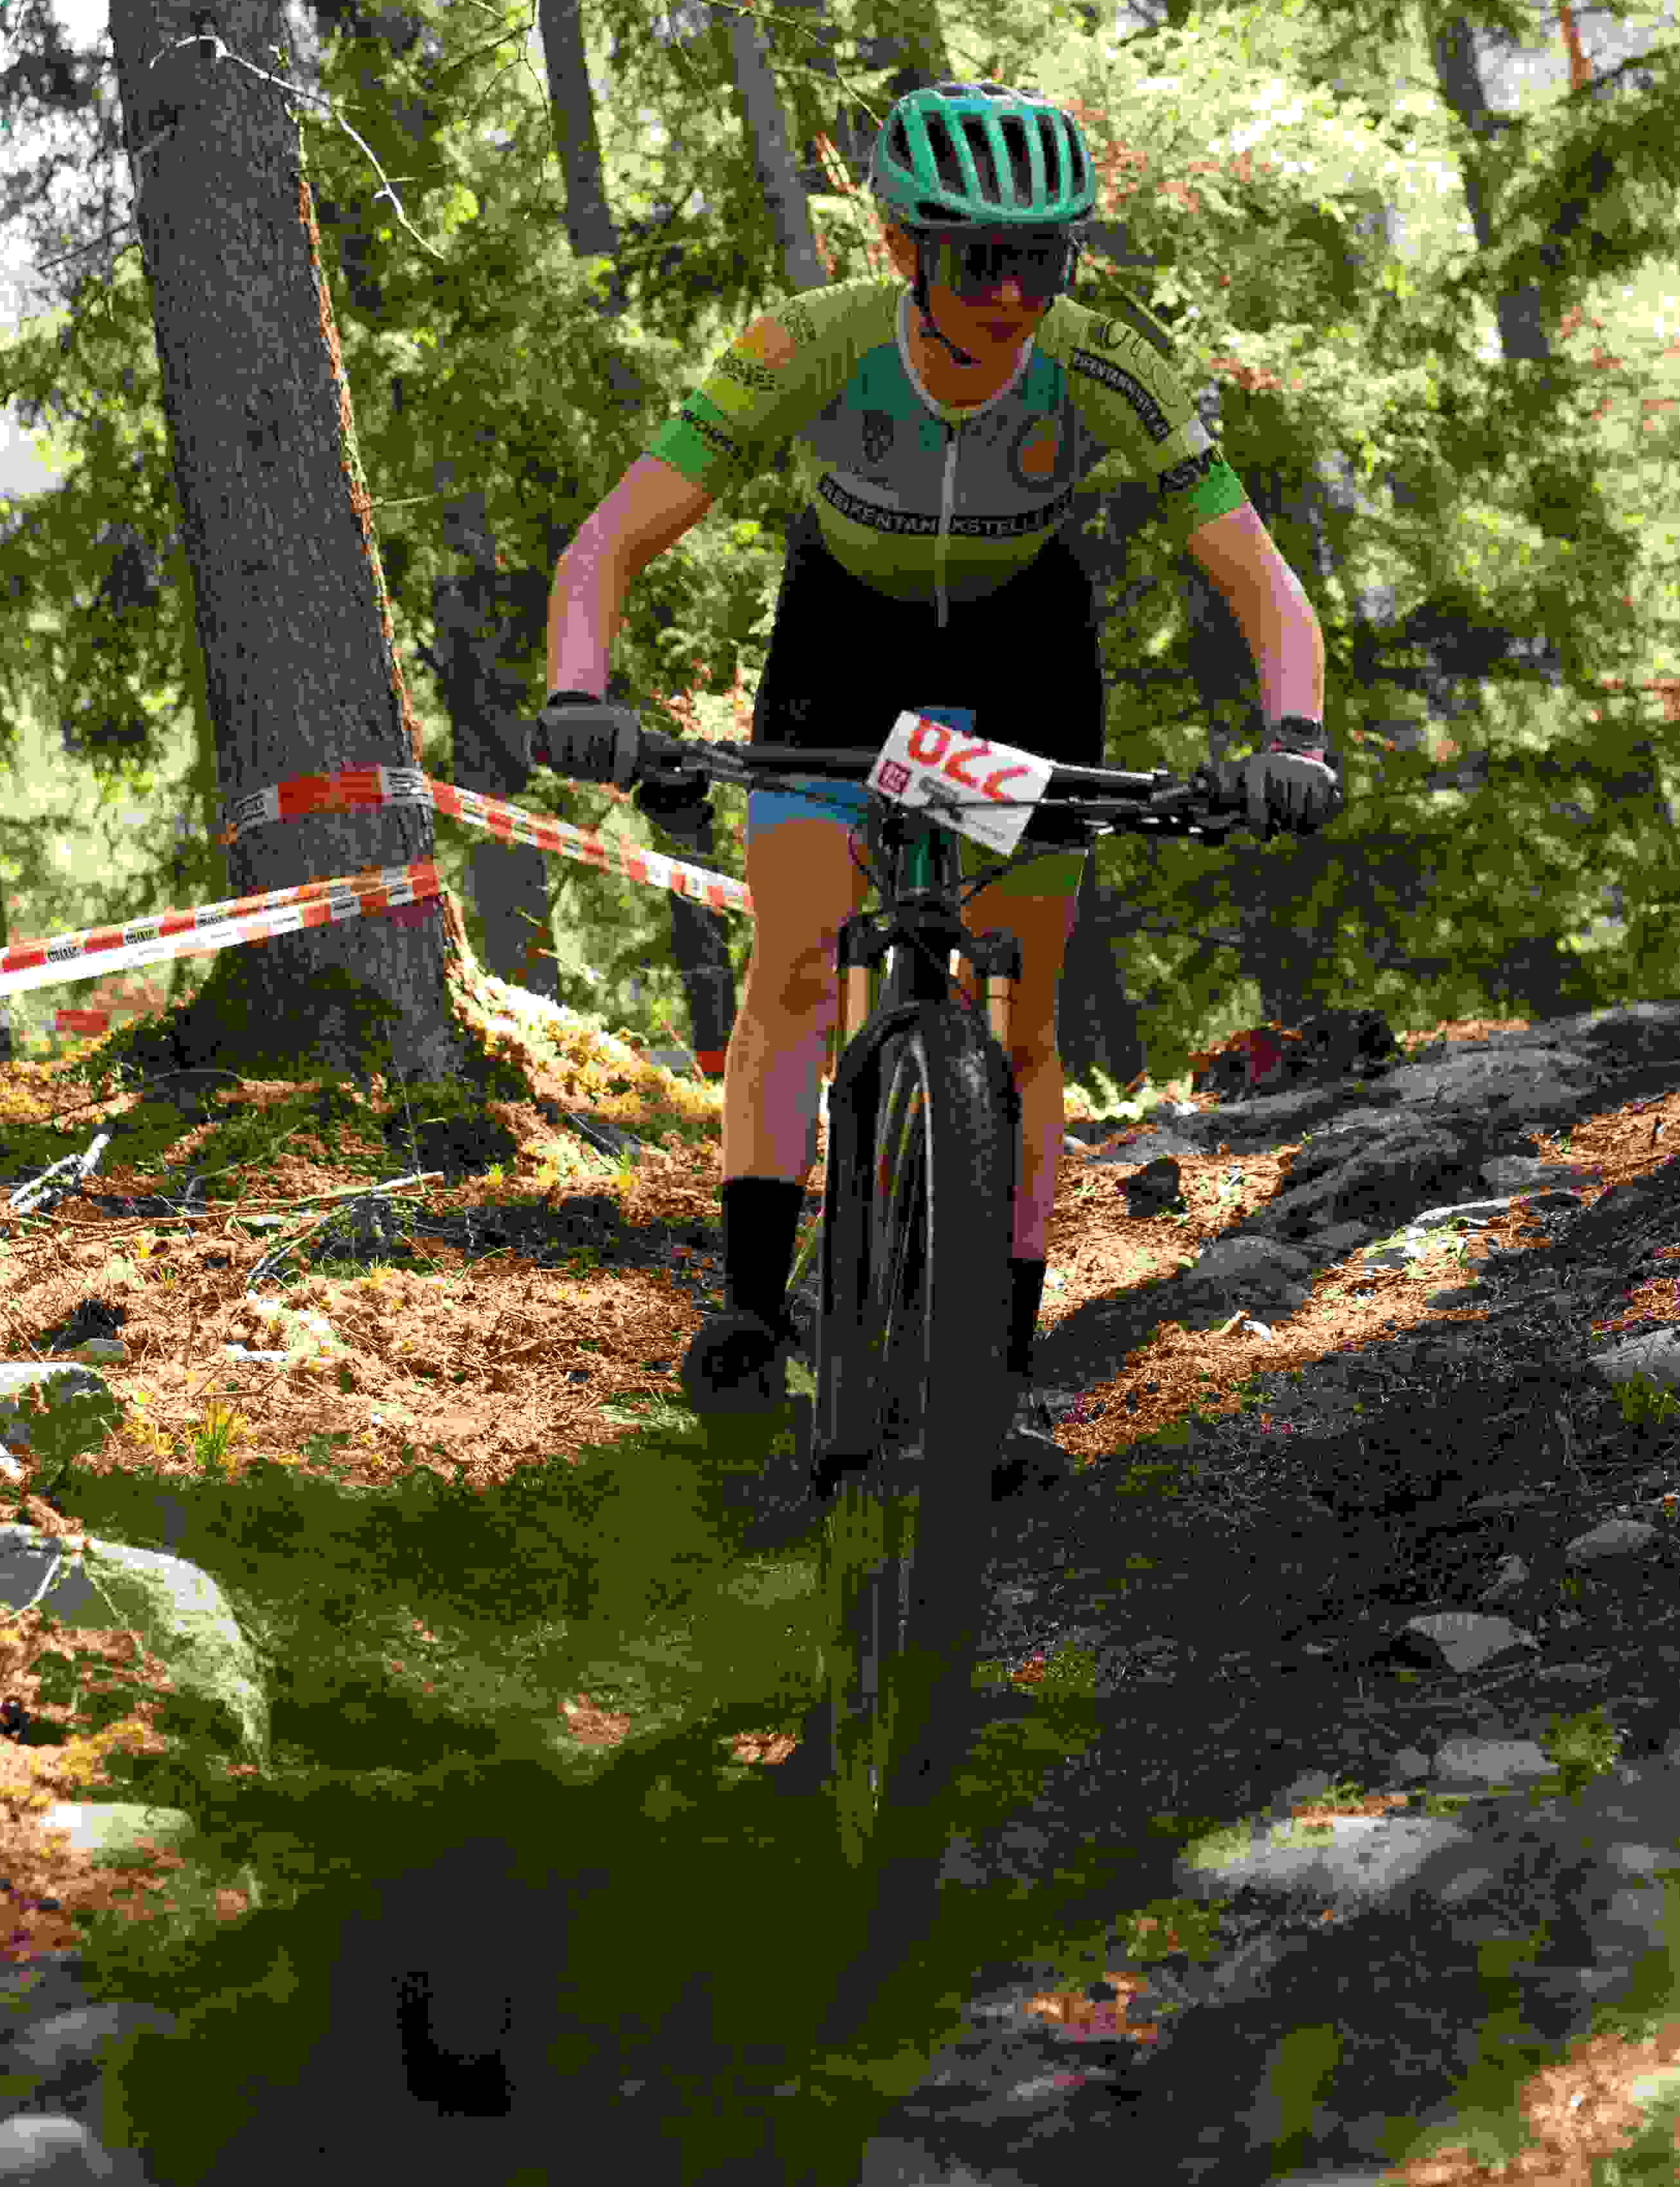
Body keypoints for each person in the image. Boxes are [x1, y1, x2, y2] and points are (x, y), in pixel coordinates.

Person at [537, 77, 1343, 1491]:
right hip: (842, 653)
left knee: (1023, 1019)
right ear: (905, 250)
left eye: (1043, 260)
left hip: (1022, 658)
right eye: (980, 261)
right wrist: (579, 692)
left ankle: (997, 1374)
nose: (1014, 295)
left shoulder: (1100, 365)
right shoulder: (814, 343)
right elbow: (612, 539)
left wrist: (1293, 738)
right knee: (797, 963)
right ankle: (750, 1306)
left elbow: (1258, 577)